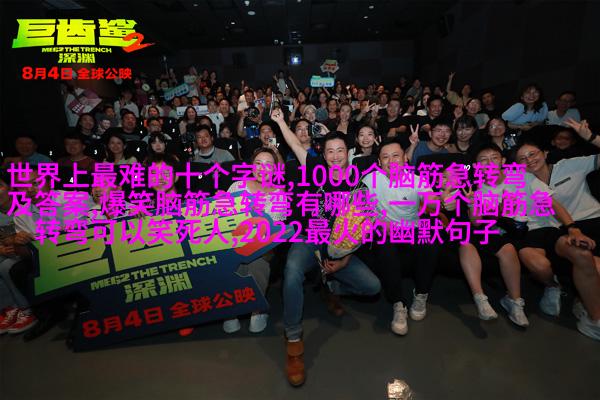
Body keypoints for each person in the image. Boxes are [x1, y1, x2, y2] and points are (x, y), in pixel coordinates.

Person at [271, 109, 381, 387]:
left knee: (372, 287)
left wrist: (345, 260)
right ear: (324, 153)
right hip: (310, 237)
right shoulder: (315, 169)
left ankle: (331, 286)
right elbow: (294, 144)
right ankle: (293, 339)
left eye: (340, 150)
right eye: (329, 151)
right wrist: (281, 121)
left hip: (339, 249)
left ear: (348, 153)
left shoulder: (358, 185)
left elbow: (361, 229)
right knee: (292, 270)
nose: (334, 156)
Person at [513, 142, 600, 340]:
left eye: (532, 154)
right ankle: (587, 310)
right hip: (551, 233)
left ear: (545, 153)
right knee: (579, 258)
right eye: (522, 158)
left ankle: (587, 308)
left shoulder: (567, 166)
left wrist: (592, 137)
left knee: (591, 263)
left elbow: (553, 204)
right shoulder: (521, 180)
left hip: (582, 224)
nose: (529, 160)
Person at [363, 139, 442, 335]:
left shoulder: (417, 180)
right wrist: (378, 223)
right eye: (385, 157)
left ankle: (421, 293)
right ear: (379, 162)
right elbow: (360, 210)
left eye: (395, 156)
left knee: (430, 241)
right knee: (384, 246)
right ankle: (398, 303)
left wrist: (438, 201)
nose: (391, 161)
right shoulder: (370, 180)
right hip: (385, 230)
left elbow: (431, 203)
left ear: (405, 158)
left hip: (411, 230)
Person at [453, 144, 529, 325]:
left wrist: (498, 208)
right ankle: (480, 299)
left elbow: (511, 214)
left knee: (507, 248)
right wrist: (472, 203)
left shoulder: (517, 179)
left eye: (494, 158)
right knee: (466, 241)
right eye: (483, 160)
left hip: (516, 231)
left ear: (503, 160)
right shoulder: (477, 188)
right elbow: (476, 221)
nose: (489, 163)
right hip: (489, 230)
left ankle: (515, 302)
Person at [222, 147, 288, 334]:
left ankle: (257, 310)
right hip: (232, 244)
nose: (262, 168)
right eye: (258, 163)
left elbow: (274, 232)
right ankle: (231, 311)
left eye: (268, 165)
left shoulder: (279, 194)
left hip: (262, 249)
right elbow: (222, 219)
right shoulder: (237, 187)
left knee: (257, 262)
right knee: (230, 262)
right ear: (251, 166)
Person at [0, 180, 38, 334]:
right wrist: (1, 249)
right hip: (9, 253)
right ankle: (9, 308)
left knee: (5, 266)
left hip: (28, 252)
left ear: (10, 187)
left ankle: (26, 309)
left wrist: (17, 243)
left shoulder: (27, 205)